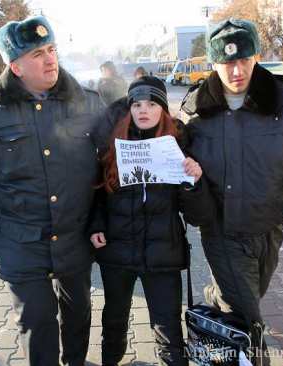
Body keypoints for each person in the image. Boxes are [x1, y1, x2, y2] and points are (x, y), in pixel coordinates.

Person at [0, 16, 103, 366]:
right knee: (37, 323)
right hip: (21, 242)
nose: (50, 59)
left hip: (75, 237)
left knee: (78, 317)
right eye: (37, 53)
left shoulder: (88, 103)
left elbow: (112, 164)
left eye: (52, 49)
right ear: (15, 66)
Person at [181, 18, 283, 364]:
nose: (236, 71)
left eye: (244, 60)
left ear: (257, 57)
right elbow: (176, 172)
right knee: (248, 323)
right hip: (222, 233)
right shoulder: (197, 115)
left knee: (244, 298)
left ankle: (220, 297)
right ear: (213, 63)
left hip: (269, 231)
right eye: (227, 62)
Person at [89, 76, 208, 366]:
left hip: (162, 254)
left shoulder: (177, 146)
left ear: (163, 110)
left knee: (168, 326)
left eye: (152, 104)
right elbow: (97, 195)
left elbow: (196, 214)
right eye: (137, 104)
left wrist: (193, 182)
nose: (143, 110)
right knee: (114, 320)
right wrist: (96, 225)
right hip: (117, 251)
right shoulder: (113, 145)